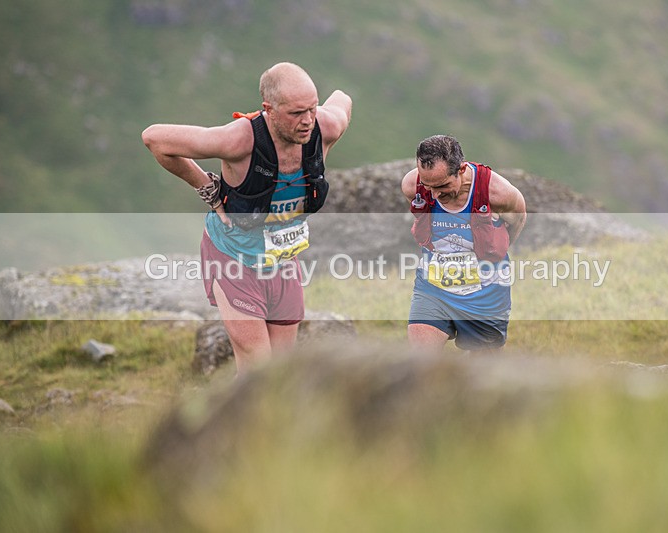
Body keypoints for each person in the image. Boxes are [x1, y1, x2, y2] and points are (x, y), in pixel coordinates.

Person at [142, 62, 352, 374]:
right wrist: (207, 187)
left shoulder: (326, 126)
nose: (308, 121)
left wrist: (315, 108)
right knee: (258, 370)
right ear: (268, 109)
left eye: (312, 108)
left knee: (280, 372)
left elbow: (343, 98)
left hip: (282, 260)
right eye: (296, 113)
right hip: (233, 259)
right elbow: (154, 138)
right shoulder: (238, 140)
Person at [401, 134, 526, 352]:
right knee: (420, 362)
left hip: (486, 294)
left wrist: (492, 254)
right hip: (434, 288)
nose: (434, 194)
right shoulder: (412, 185)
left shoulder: (498, 194)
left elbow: (517, 222)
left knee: (483, 374)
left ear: (461, 169)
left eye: (442, 185)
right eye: (427, 184)